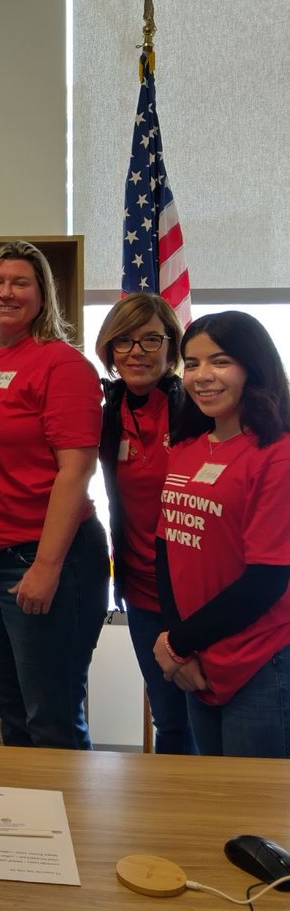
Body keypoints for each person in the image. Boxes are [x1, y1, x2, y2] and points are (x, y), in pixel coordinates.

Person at [0, 241, 108, 749]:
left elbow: (76, 470)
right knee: (10, 711)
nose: (6, 292)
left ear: (42, 296)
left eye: (20, 283)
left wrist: (47, 567)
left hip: (46, 557)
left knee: (51, 718)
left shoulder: (62, 365)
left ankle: (67, 825)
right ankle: (26, 825)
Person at [153, 311, 290, 757]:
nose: (202, 376)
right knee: (214, 800)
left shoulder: (277, 455)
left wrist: (177, 644)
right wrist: (182, 646)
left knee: (256, 816)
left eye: (220, 361)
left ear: (254, 366)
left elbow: (266, 579)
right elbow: (166, 548)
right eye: (191, 364)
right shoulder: (187, 449)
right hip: (197, 657)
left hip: (260, 662)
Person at [96, 293, 196, 754]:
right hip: (140, 592)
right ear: (110, 349)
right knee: (170, 722)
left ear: (172, 347)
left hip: (197, 595)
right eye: (124, 341)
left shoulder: (196, 409)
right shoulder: (106, 414)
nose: (137, 352)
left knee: (207, 715)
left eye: (151, 339)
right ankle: (180, 824)